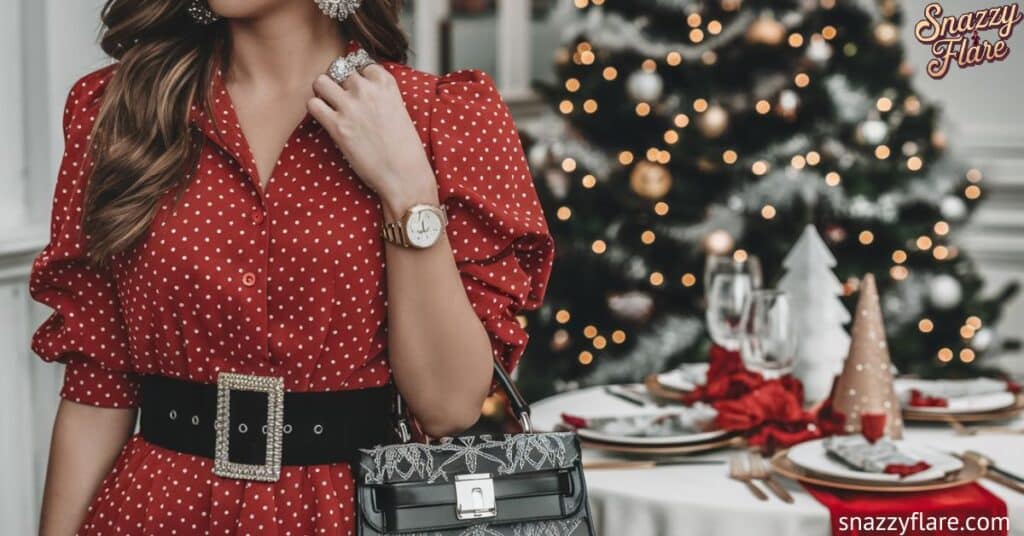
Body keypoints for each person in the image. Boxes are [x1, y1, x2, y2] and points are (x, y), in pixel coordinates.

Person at [31, 0, 553, 533]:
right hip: (157, 509)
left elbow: (448, 407)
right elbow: (98, 385)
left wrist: (407, 187)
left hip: (353, 512)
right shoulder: (119, 110)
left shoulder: (441, 117)